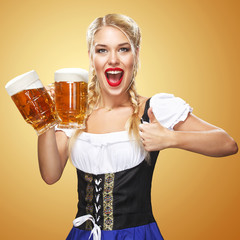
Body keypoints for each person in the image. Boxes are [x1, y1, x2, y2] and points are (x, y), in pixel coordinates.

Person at [38, 14, 238, 240]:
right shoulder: (74, 113)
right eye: (102, 50)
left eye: (123, 49)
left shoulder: (153, 109)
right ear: (91, 57)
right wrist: (46, 119)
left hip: (137, 235)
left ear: (136, 54)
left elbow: (227, 143)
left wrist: (171, 139)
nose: (113, 59)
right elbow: (50, 175)